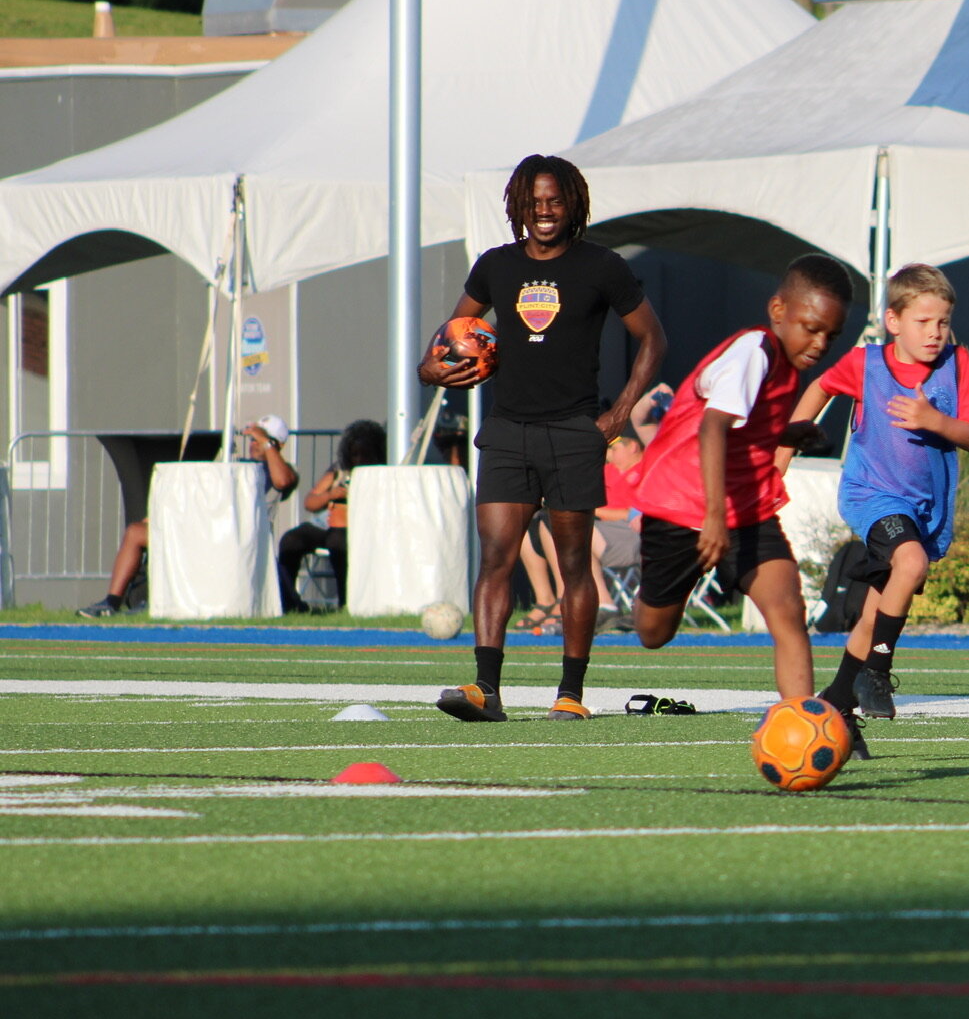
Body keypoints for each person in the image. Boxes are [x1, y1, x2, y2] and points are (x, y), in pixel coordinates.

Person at [421, 155, 667, 722]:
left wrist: (621, 412)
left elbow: (653, 339)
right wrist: (428, 369)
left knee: (575, 564)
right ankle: (486, 689)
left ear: (573, 202)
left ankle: (571, 694)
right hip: (507, 431)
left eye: (554, 200)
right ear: (518, 206)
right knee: (496, 561)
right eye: (534, 202)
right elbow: (450, 337)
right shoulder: (495, 266)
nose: (544, 211)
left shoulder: (602, 266)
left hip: (574, 431)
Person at [630, 255, 847, 713]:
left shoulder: (788, 364)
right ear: (778, 310)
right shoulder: (756, 350)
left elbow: (746, 428)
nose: (820, 342)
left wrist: (786, 434)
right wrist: (712, 518)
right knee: (653, 632)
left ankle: (803, 723)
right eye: (811, 327)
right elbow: (713, 427)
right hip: (684, 506)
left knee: (789, 611)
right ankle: (652, 589)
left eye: (831, 334)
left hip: (747, 510)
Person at [792, 263, 969, 724]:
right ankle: (876, 672)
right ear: (893, 321)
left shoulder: (956, 364)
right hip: (871, 494)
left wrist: (934, 420)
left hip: (925, 509)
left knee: (876, 609)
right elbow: (820, 387)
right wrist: (784, 448)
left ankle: (836, 703)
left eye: (943, 322)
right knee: (910, 562)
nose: (935, 332)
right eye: (923, 322)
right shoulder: (867, 363)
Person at [82, 418, 300, 617]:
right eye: (252, 439)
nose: (254, 443)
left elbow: (283, 482)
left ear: (278, 445)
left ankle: (164, 602)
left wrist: (267, 444)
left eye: (261, 439)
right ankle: (111, 602)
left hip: (234, 541)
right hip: (204, 530)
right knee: (137, 532)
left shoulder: (283, 471)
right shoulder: (232, 464)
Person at [280, 421, 389, 614]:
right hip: (326, 523)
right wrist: (330, 495)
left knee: (338, 541)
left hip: (355, 529)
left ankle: (345, 603)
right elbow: (311, 502)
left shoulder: (383, 474)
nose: (360, 459)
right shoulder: (339, 470)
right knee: (291, 540)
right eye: (355, 454)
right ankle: (288, 601)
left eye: (366, 454)